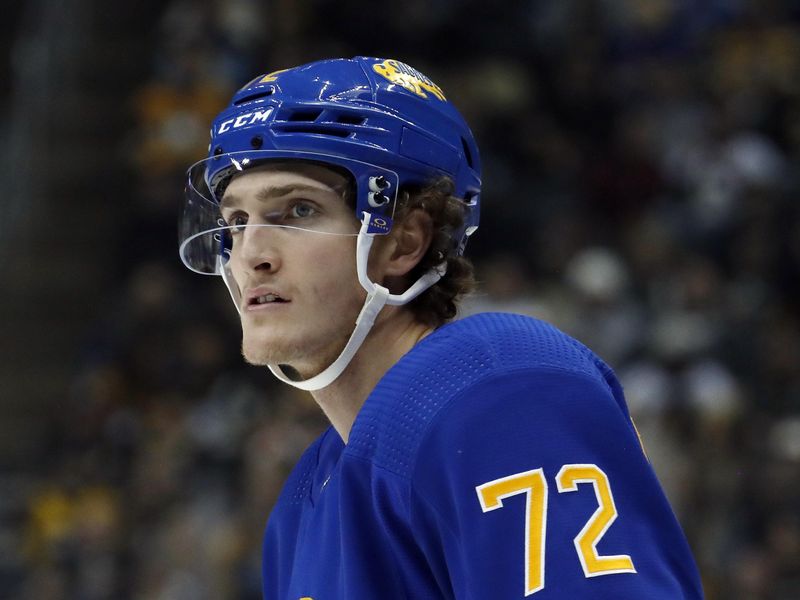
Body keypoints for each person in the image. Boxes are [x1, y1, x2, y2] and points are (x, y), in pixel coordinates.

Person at [179, 57, 704, 599]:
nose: (251, 256)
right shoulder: (302, 508)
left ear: (405, 241)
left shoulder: (498, 390)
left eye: (297, 211)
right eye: (237, 222)